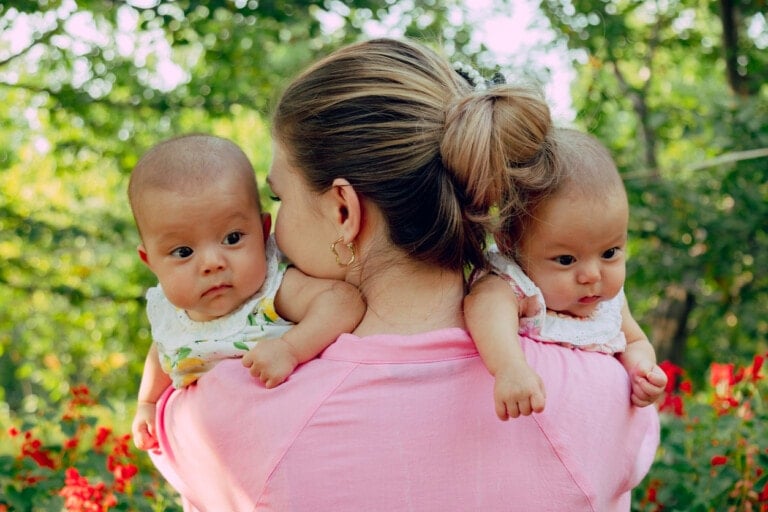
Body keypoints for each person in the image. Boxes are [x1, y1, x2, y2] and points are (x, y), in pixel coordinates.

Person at [148, 38, 659, 511]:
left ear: (343, 211)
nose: (273, 229)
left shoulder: (228, 415)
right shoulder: (603, 394)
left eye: (280, 198)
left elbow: (169, 397)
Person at [127, 134, 364, 451]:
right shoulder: (169, 313)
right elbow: (162, 350)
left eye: (233, 237)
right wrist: (147, 403)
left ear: (264, 232)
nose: (212, 263)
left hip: (289, 444)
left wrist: (290, 349)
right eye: (183, 252)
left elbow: (343, 302)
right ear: (151, 262)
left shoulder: (269, 293)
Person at [465, 128, 668, 421]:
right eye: (565, 259)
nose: (591, 275)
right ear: (511, 244)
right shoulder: (516, 285)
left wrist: (642, 369)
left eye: (610, 253)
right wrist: (509, 367)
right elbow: (483, 307)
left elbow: (635, 342)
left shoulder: (607, 304)